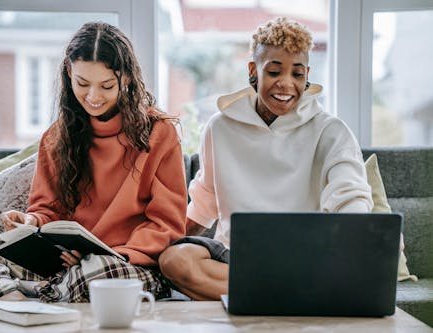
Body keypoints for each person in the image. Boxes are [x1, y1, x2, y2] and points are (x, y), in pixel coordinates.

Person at [0, 21, 187, 302]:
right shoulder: (56, 137)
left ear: (126, 78)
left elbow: (167, 224)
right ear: (69, 72)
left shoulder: (160, 133)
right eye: (82, 83)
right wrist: (30, 221)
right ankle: (18, 297)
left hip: (124, 265)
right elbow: (48, 211)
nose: (93, 97)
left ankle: (25, 294)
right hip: (62, 267)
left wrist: (109, 254)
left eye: (106, 85)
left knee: (94, 275)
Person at [158, 17, 373, 301]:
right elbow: (205, 200)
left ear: (307, 75)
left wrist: (365, 237)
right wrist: (160, 249)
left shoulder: (330, 130)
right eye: (274, 72)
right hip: (238, 257)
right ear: (253, 70)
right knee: (174, 261)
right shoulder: (220, 127)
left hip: (304, 259)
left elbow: (350, 195)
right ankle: (292, 296)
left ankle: (265, 295)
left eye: (297, 74)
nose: (286, 84)